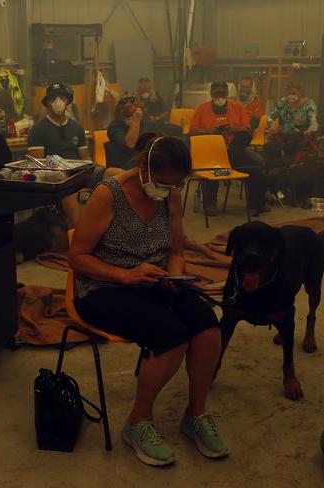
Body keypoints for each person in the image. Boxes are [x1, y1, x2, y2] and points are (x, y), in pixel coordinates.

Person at [69, 134, 229, 467]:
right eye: (163, 183)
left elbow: (176, 251)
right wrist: (125, 275)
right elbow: (78, 258)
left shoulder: (169, 196)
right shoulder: (107, 195)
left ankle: (195, 415)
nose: (169, 191)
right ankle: (138, 422)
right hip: (103, 288)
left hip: (153, 281)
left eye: (175, 186)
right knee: (171, 337)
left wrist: (174, 276)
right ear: (143, 167)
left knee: (208, 327)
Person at [28, 82, 121, 226]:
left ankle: (120, 223)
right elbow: (38, 163)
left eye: (62, 97)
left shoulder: (76, 126)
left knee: (117, 174)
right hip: (58, 176)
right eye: (53, 98)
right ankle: (79, 235)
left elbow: (85, 157)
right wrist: (61, 174)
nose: (58, 102)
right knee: (69, 194)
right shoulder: (38, 129)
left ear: (68, 101)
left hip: (79, 171)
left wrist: (92, 169)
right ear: (48, 103)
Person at [189, 81, 267, 217]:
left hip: (234, 148)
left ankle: (257, 202)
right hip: (211, 151)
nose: (219, 94)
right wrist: (209, 131)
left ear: (227, 94)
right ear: (211, 94)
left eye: (222, 92)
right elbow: (192, 132)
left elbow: (247, 130)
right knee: (215, 166)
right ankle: (210, 202)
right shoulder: (201, 109)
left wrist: (234, 129)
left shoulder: (237, 107)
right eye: (216, 91)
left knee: (258, 163)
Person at [265, 79, 319, 161]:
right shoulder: (283, 102)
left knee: (291, 145)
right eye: (289, 93)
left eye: (293, 93)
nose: (291, 96)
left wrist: (309, 131)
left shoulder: (308, 104)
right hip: (281, 135)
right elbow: (269, 117)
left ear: (300, 92)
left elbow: (314, 124)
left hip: (299, 137)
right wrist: (273, 126)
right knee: (270, 147)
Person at [106, 93, 144, 169]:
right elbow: (130, 145)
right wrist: (136, 119)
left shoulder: (142, 123)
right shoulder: (114, 127)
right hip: (124, 167)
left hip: (140, 163)